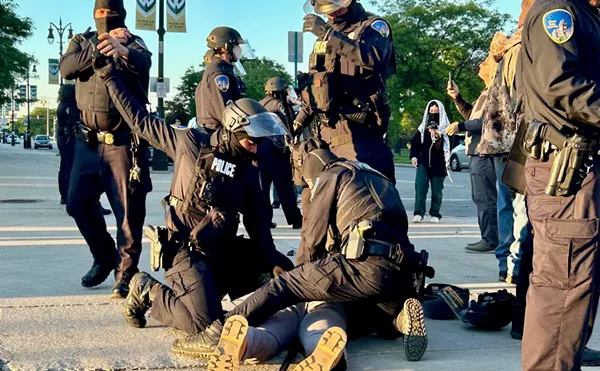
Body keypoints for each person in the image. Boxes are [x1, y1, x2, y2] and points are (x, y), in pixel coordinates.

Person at [171, 146, 431, 364]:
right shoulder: (376, 176)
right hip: (403, 274)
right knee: (363, 317)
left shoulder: (333, 175)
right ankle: (399, 320)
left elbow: (311, 239)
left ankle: (217, 332)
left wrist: (302, 278)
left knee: (287, 285)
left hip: (365, 264)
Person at [93, 56, 295, 335]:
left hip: (222, 249)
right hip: (186, 253)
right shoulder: (191, 144)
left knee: (282, 272)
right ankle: (147, 290)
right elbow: (140, 120)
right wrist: (110, 78)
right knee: (203, 326)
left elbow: (258, 223)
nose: (256, 148)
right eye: (252, 140)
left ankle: (209, 296)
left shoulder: (250, 170)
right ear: (233, 131)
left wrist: (275, 262)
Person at [518, 0, 600, 369]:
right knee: (563, 288)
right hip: (568, 168)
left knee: (578, 286)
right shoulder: (559, 11)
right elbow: (562, 84)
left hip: (579, 165)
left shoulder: (586, 14)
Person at [60, 0, 152, 298]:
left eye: (109, 13)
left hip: (123, 144)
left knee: (128, 213)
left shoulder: (134, 41)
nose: (104, 17)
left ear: (121, 14)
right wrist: (101, 47)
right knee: (77, 203)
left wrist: (122, 48)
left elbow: (143, 63)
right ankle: (104, 257)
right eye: (99, 13)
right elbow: (67, 68)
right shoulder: (81, 41)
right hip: (87, 143)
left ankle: (126, 273)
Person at [294, 0, 397, 183]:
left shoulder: (372, 26)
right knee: (313, 202)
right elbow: (318, 85)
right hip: (325, 133)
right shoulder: (325, 37)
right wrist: (299, 121)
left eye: (332, 8)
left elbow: (374, 59)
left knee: (366, 194)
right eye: (324, 10)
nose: (329, 15)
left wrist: (329, 34)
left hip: (360, 130)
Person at [446, 41, 502, 254]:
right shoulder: (485, 92)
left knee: (485, 197)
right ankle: (490, 238)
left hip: (485, 151)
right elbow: (473, 115)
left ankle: (490, 239)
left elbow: (488, 122)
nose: (481, 64)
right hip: (477, 150)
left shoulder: (497, 91)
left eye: (486, 61)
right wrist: (457, 98)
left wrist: (460, 126)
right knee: (482, 197)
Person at [205, 304, 348, 371]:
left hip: (295, 294)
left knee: (269, 335)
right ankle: (325, 353)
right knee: (320, 333)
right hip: (328, 301)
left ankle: (247, 340)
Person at [258, 77, 303, 229]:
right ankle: (295, 219)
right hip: (277, 150)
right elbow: (291, 125)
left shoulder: (260, 104)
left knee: (263, 189)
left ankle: (265, 220)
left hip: (259, 150)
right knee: (284, 188)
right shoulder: (281, 105)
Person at [195, 27, 245, 134]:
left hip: (214, 133)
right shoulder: (219, 75)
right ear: (225, 48)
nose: (239, 49)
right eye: (237, 45)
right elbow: (225, 113)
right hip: (218, 136)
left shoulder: (217, 71)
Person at [409, 101, 450, 223]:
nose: (433, 114)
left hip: (439, 163)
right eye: (431, 111)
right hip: (424, 161)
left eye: (436, 112)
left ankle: (435, 213)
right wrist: (414, 157)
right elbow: (415, 143)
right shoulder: (423, 128)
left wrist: (437, 136)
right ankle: (418, 212)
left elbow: (445, 146)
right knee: (420, 187)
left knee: (437, 190)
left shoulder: (445, 128)